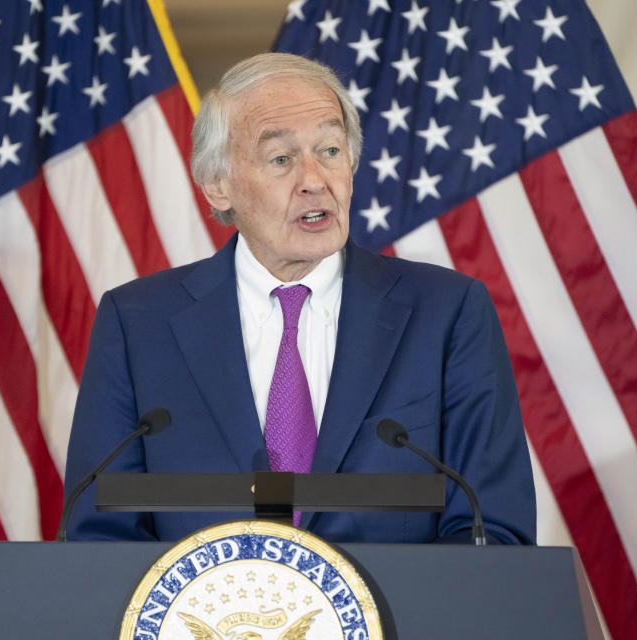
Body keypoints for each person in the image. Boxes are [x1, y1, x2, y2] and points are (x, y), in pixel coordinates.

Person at [63, 53, 536, 544]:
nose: (314, 180)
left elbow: (490, 529)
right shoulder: (138, 324)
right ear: (217, 186)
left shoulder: (448, 313)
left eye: (330, 150)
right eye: (282, 159)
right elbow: (100, 533)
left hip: (400, 620)